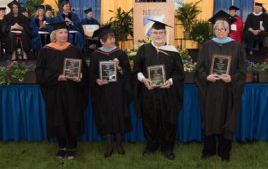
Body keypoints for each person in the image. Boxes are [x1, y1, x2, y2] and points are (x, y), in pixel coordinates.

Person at [195, 12, 246, 162]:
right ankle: (208, 150)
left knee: (227, 117)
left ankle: (225, 151)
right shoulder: (207, 46)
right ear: (214, 30)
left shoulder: (237, 46)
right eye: (217, 29)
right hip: (210, 90)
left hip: (228, 90)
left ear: (228, 30)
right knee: (209, 117)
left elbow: (242, 70)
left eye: (223, 29)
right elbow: (199, 68)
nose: (220, 31)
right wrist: (206, 77)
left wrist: (232, 78)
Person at [35, 22, 88, 160]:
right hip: (55, 90)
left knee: (72, 116)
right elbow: (40, 72)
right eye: (60, 32)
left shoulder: (74, 49)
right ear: (54, 35)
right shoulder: (45, 51)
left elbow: (84, 69)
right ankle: (62, 146)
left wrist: (81, 75)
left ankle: (72, 147)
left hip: (72, 90)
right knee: (58, 117)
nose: (64, 35)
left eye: (65, 32)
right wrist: (57, 76)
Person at [133, 19, 184, 160]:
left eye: (161, 32)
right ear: (150, 34)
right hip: (149, 91)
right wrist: (143, 79)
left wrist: (170, 81)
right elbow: (136, 69)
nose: (158, 35)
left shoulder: (173, 52)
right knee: (150, 119)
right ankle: (151, 145)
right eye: (155, 32)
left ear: (165, 33)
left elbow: (179, 73)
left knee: (168, 120)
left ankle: (168, 147)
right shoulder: (143, 50)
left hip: (167, 93)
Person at [89, 24, 131, 158]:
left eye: (113, 38)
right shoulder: (95, 55)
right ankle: (109, 145)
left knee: (118, 114)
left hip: (118, 89)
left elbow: (128, 72)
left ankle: (119, 144)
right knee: (106, 115)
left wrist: (119, 68)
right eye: (109, 38)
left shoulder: (120, 53)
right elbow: (91, 73)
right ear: (101, 41)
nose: (112, 40)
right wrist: (97, 80)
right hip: (103, 90)